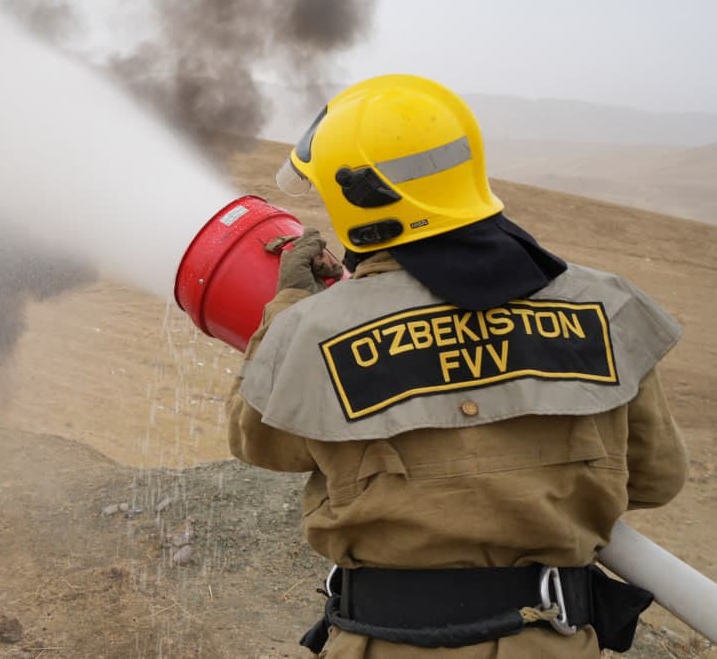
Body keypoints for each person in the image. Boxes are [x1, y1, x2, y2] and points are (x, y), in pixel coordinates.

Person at [227, 75, 687, 657]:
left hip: (384, 643)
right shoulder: (606, 306)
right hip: (553, 641)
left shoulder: (314, 330)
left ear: (359, 198)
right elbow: (656, 478)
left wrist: (288, 306)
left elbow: (259, 443)